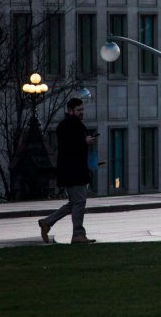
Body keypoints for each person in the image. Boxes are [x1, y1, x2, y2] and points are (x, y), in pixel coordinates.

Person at [38, 97, 97, 244]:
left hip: (75, 170)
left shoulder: (74, 125)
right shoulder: (68, 126)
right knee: (79, 202)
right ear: (70, 110)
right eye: (78, 110)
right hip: (73, 171)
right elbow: (68, 147)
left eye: (82, 109)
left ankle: (47, 222)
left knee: (75, 203)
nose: (81, 112)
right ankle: (77, 234)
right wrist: (85, 142)